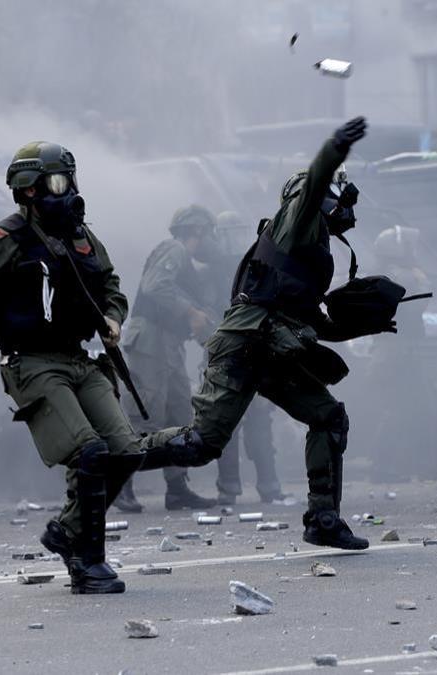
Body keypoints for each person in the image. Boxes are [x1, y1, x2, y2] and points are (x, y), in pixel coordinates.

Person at [0, 141, 194, 594]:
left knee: (125, 451)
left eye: (69, 179)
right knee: (89, 452)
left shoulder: (80, 235)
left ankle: (69, 533)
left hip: (78, 357)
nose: (67, 190)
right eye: (57, 181)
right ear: (29, 189)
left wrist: (113, 318)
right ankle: (89, 562)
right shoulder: (7, 239)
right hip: (32, 362)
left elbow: (111, 285)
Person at [138, 117, 377, 550]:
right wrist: (335, 147)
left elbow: (297, 309)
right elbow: (316, 181)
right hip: (245, 346)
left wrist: (356, 321)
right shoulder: (297, 218)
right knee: (200, 443)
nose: (344, 207)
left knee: (328, 417)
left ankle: (323, 520)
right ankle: (106, 458)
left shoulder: (308, 242)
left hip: (270, 348)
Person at [112, 205, 219, 513]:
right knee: (144, 413)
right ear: (197, 231)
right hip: (152, 340)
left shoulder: (183, 261)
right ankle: (120, 485)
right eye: (207, 233)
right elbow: (155, 286)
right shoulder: (174, 249)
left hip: (168, 343)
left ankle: (177, 489)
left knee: (180, 413)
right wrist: (191, 312)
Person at [210, 211, 286, 506]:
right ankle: (229, 489)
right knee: (227, 423)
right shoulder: (211, 272)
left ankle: (268, 486)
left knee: (259, 422)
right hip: (227, 353)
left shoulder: (256, 265)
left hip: (252, 350)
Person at [367, 224, 434, 482]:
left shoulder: (386, 275)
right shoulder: (401, 276)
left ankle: (393, 467)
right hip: (396, 354)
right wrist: (422, 278)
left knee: (405, 410)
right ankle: (383, 468)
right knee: (400, 411)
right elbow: (419, 304)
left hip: (394, 353)